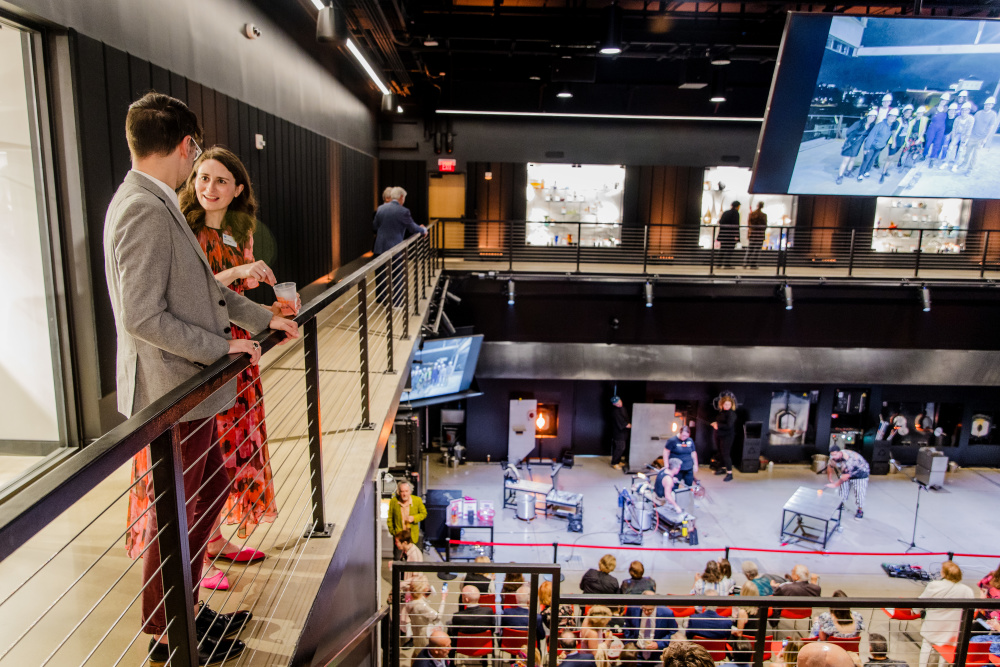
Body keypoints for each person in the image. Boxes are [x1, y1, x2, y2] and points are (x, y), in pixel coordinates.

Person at [104, 92, 297, 664]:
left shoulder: (157, 199)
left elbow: (206, 290)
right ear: (187, 147)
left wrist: (264, 322)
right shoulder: (142, 206)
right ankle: (171, 628)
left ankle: (180, 609)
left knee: (206, 489)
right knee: (185, 505)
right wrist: (222, 347)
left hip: (188, 387)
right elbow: (141, 317)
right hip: (170, 389)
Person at [917, 560, 975, 667]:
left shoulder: (934, 585)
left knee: (926, 652)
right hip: (953, 631)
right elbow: (971, 613)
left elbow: (920, 604)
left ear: (944, 573)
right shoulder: (967, 590)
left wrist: (915, 611)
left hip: (932, 629)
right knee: (945, 655)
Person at [624, 591, 678, 661]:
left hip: (658, 654)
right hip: (636, 652)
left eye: (650, 610)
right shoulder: (632, 609)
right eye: (644, 609)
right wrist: (630, 644)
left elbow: (673, 634)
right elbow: (627, 628)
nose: (646, 612)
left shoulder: (667, 613)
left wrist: (658, 644)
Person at [373, 186, 427, 255]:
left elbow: (375, 226)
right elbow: (412, 228)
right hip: (394, 249)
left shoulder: (380, 208)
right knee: (396, 265)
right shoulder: (403, 211)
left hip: (379, 248)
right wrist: (423, 230)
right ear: (401, 197)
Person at [825, 445, 869, 520]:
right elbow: (830, 466)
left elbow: (846, 476)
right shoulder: (833, 457)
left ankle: (860, 510)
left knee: (859, 492)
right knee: (843, 489)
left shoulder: (851, 459)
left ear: (840, 453)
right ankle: (841, 504)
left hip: (860, 473)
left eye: (835, 455)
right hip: (846, 471)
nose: (833, 457)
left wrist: (835, 484)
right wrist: (830, 478)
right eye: (832, 455)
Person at [406, 574, 447, 654]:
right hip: (425, 637)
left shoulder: (411, 602)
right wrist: (443, 599)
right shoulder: (421, 605)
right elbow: (438, 616)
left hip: (417, 634)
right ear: (424, 589)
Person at [957, 97, 998, 174]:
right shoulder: (978, 113)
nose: (987, 106)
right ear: (984, 105)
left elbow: (991, 127)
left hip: (981, 138)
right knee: (967, 152)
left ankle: (970, 169)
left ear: (992, 105)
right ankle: (964, 163)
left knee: (975, 155)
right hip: (973, 136)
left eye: (989, 105)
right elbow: (972, 124)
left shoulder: (993, 115)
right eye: (986, 105)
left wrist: (985, 138)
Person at [836, 110, 877, 184]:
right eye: (870, 116)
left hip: (857, 145)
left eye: (873, 117)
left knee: (852, 159)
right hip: (850, 144)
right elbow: (848, 131)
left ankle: (848, 172)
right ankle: (840, 176)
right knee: (845, 161)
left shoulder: (871, 126)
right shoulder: (859, 123)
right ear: (867, 117)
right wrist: (847, 141)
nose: (871, 118)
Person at [389, 481, 427, 553]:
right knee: (398, 560)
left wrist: (414, 518)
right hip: (399, 538)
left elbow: (424, 513)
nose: (404, 494)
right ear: (399, 492)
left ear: (410, 491)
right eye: (402, 491)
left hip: (412, 537)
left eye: (406, 491)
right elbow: (390, 518)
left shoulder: (417, 500)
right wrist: (393, 532)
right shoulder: (394, 501)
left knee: (413, 560)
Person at [731, 582, 763, 666]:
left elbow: (739, 634)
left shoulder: (743, 612)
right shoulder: (760, 610)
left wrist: (731, 631)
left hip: (744, 647)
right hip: (758, 646)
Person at [858, 111, 893, 180]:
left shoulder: (892, 127)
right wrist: (866, 148)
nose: (892, 118)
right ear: (888, 116)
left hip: (880, 147)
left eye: (894, 117)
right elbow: (871, 136)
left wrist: (883, 145)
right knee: (866, 159)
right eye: (891, 116)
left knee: (872, 159)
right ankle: (860, 174)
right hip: (872, 145)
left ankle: (867, 171)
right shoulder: (880, 125)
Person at [711, 392, 737, 482]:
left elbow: (729, 426)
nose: (727, 406)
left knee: (725, 454)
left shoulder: (731, 414)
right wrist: (716, 424)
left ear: (731, 404)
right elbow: (721, 422)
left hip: (727, 436)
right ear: (722, 404)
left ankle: (730, 473)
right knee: (720, 452)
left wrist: (718, 425)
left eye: (728, 404)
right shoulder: (722, 412)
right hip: (719, 435)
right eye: (725, 404)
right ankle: (722, 468)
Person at [945, 102, 975, 171]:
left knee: (961, 150)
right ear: (961, 110)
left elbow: (969, 130)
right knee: (950, 147)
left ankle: (955, 164)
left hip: (965, 135)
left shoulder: (971, 119)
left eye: (966, 110)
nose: (964, 112)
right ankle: (946, 162)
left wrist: (964, 141)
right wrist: (953, 139)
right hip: (957, 134)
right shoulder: (958, 118)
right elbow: (954, 129)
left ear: (968, 111)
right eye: (963, 110)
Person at [923, 94, 951, 167]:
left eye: (945, 101)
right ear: (940, 100)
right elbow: (925, 115)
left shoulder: (947, 110)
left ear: (947, 102)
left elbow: (951, 118)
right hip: (932, 127)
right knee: (928, 141)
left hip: (941, 128)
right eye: (942, 100)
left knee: (937, 144)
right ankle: (924, 155)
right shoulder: (934, 109)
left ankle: (932, 159)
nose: (943, 102)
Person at [877, 108, 903, 184]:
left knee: (891, 158)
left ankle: (886, 170)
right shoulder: (898, 121)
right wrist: (894, 142)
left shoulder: (907, 121)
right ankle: (883, 174)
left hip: (901, 142)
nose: (907, 114)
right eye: (906, 112)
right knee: (889, 158)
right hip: (895, 142)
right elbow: (893, 131)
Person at [717, 201, 741, 269]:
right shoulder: (736, 213)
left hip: (724, 234)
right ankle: (726, 263)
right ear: (737, 206)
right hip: (731, 235)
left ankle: (719, 263)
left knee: (722, 248)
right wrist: (737, 236)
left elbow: (721, 222)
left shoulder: (726, 212)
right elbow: (736, 225)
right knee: (730, 249)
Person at [611, 396, 632, 470]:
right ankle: (614, 463)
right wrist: (628, 425)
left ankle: (618, 461)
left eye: (619, 402)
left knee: (622, 448)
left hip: (623, 433)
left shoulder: (623, 408)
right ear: (614, 404)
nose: (619, 404)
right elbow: (622, 423)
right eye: (617, 404)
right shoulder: (615, 412)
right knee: (620, 448)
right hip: (618, 433)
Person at [746, 202, 767, 268]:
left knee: (750, 249)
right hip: (760, 234)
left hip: (752, 233)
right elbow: (765, 225)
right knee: (757, 250)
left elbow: (749, 224)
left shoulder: (752, 214)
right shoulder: (763, 215)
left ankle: (746, 262)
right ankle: (753, 263)